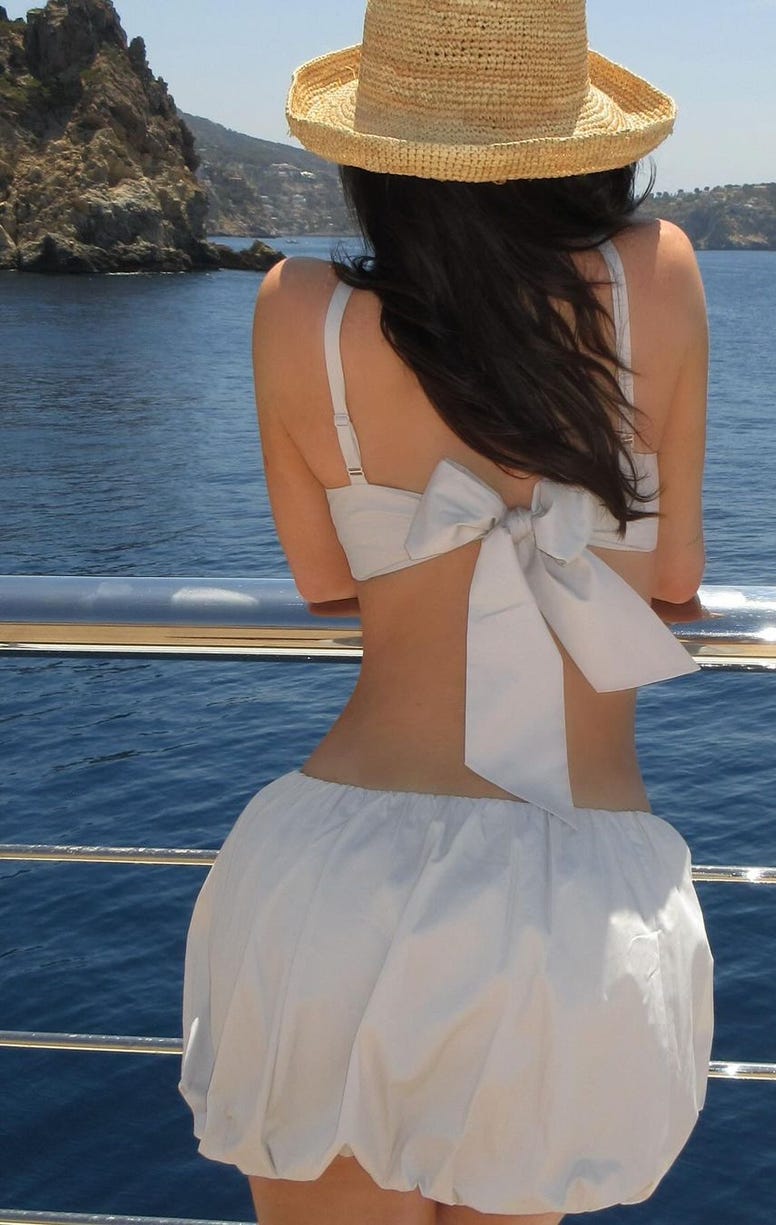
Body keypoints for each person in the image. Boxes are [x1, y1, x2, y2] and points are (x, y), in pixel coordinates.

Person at [179, 1, 713, 1222]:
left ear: (374, 150)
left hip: (329, 881)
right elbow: (674, 574)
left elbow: (324, 579)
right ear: (580, 138)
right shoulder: (655, 278)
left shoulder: (294, 309)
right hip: (570, 902)